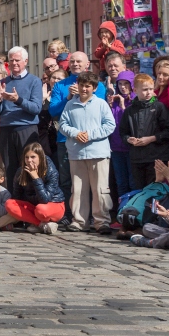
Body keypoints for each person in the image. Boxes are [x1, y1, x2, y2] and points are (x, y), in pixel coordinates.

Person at [58, 71, 116, 234]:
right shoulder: (70, 105)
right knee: (78, 189)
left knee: (100, 189)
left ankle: (101, 221)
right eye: (82, 85)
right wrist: (76, 133)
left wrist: (90, 134)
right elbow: (62, 125)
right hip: (76, 153)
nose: (84, 89)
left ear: (94, 88)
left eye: (88, 86)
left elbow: (110, 125)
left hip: (98, 152)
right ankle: (79, 220)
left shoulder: (101, 104)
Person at [48, 53, 107, 210]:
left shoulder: (98, 85)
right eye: (72, 61)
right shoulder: (60, 85)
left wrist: (81, 94)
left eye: (78, 61)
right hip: (65, 140)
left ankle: (96, 217)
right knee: (68, 180)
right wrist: (68, 97)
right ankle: (70, 214)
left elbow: (98, 109)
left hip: (92, 142)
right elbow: (53, 111)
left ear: (87, 64)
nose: (75, 64)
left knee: (95, 183)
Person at [0, 46, 43, 194]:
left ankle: (31, 203)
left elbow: (36, 108)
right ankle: (15, 205)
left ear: (25, 61)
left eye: (17, 60)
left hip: (26, 129)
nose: (14, 63)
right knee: (10, 169)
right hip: (6, 130)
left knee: (29, 167)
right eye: (11, 60)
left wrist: (18, 100)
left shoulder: (34, 81)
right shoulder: (3, 82)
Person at [120, 73, 169, 190]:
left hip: (157, 157)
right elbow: (123, 132)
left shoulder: (160, 107)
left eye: (151, 89)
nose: (149, 92)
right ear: (135, 90)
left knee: (156, 190)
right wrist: (129, 139)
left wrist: (151, 138)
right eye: (145, 90)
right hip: (137, 158)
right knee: (141, 191)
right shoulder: (129, 111)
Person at [5, 142, 64, 233]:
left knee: (41, 210)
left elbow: (45, 199)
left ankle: (39, 222)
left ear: (40, 157)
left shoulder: (51, 171)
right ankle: (41, 225)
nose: (29, 160)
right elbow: (17, 196)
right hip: (34, 207)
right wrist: (22, 215)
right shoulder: (20, 172)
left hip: (53, 204)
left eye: (33, 157)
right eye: (26, 157)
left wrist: (36, 178)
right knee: (9, 203)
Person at [108, 70, 135, 201]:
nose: (123, 87)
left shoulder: (135, 100)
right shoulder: (113, 101)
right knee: (121, 183)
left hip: (131, 147)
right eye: (120, 84)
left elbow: (132, 123)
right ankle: (122, 211)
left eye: (126, 83)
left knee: (133, 181)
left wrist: (124, 106)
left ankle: (133, 212)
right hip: (116, 147)